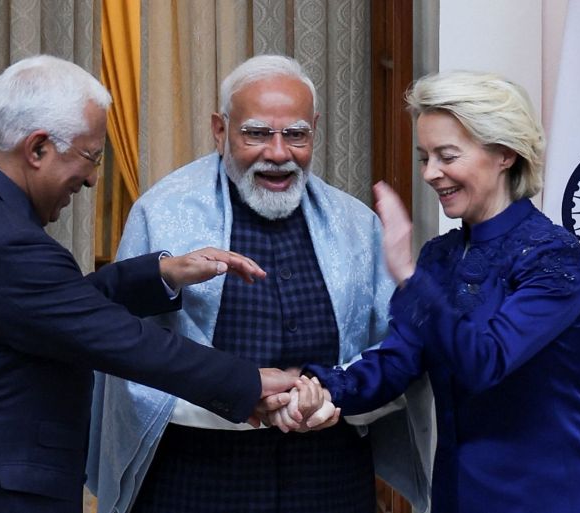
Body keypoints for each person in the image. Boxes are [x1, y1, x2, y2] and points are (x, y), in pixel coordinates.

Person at [0, 55, 304, 513]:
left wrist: (160, 274)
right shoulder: (7, 242)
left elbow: (46, 309)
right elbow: (121, 341)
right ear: (38, 149)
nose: (93, 178)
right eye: (90, 156)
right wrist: (248, 382)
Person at [87, 55, 433, 513]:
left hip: (329, 477)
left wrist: (329, 397)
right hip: (196, 478)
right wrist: (239, 397)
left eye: (296, 135)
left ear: (315, 130)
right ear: (220, 130)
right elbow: (125, 351)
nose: (278, 153)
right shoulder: (162, 213)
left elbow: (393, 346)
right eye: (256, 133)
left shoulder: (355, 222)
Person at [302, 70, 580, 513]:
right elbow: (397, 361)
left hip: (549, 498)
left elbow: (486, 362)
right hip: (457, 495)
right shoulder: (440, 256)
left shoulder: (554, 256)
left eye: (447, 156)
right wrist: (319, 388)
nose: (431, 173)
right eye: (424, 157)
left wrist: (408, 276)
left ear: (504, 153)